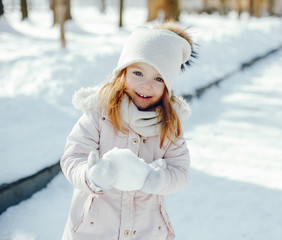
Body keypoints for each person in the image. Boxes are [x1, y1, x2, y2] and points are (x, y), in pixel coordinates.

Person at [60, 21, 196, 240]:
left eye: (158, 78)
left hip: (146, 231)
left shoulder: (169, 127)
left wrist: (154, 179)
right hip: (93, 231)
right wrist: (91, 175)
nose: (146, 85)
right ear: (123, 72)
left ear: (168, 86)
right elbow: (72, 157)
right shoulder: (99, 114)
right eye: (138, 73)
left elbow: (180, 172)